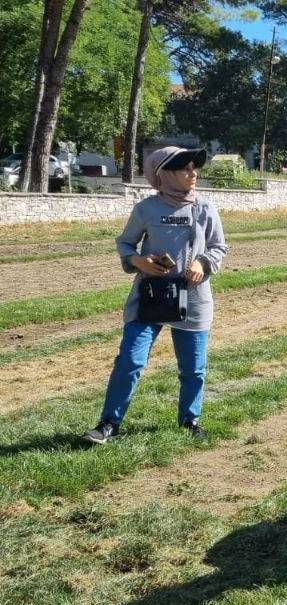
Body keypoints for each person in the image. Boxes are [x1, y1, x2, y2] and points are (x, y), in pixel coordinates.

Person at [83, 147, 228, 445]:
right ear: (165, 173)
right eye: (185, 168)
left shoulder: (206, 208)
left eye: (194, 168)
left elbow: (218, 247)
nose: (193, 173)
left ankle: (190, 420)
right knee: (130, 361)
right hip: (150, 296)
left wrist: (203, 263)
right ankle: (109, 423)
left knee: (194, 368)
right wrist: (140, 262)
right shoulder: (146, 209)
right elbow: (125, 244)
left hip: (193, 298)